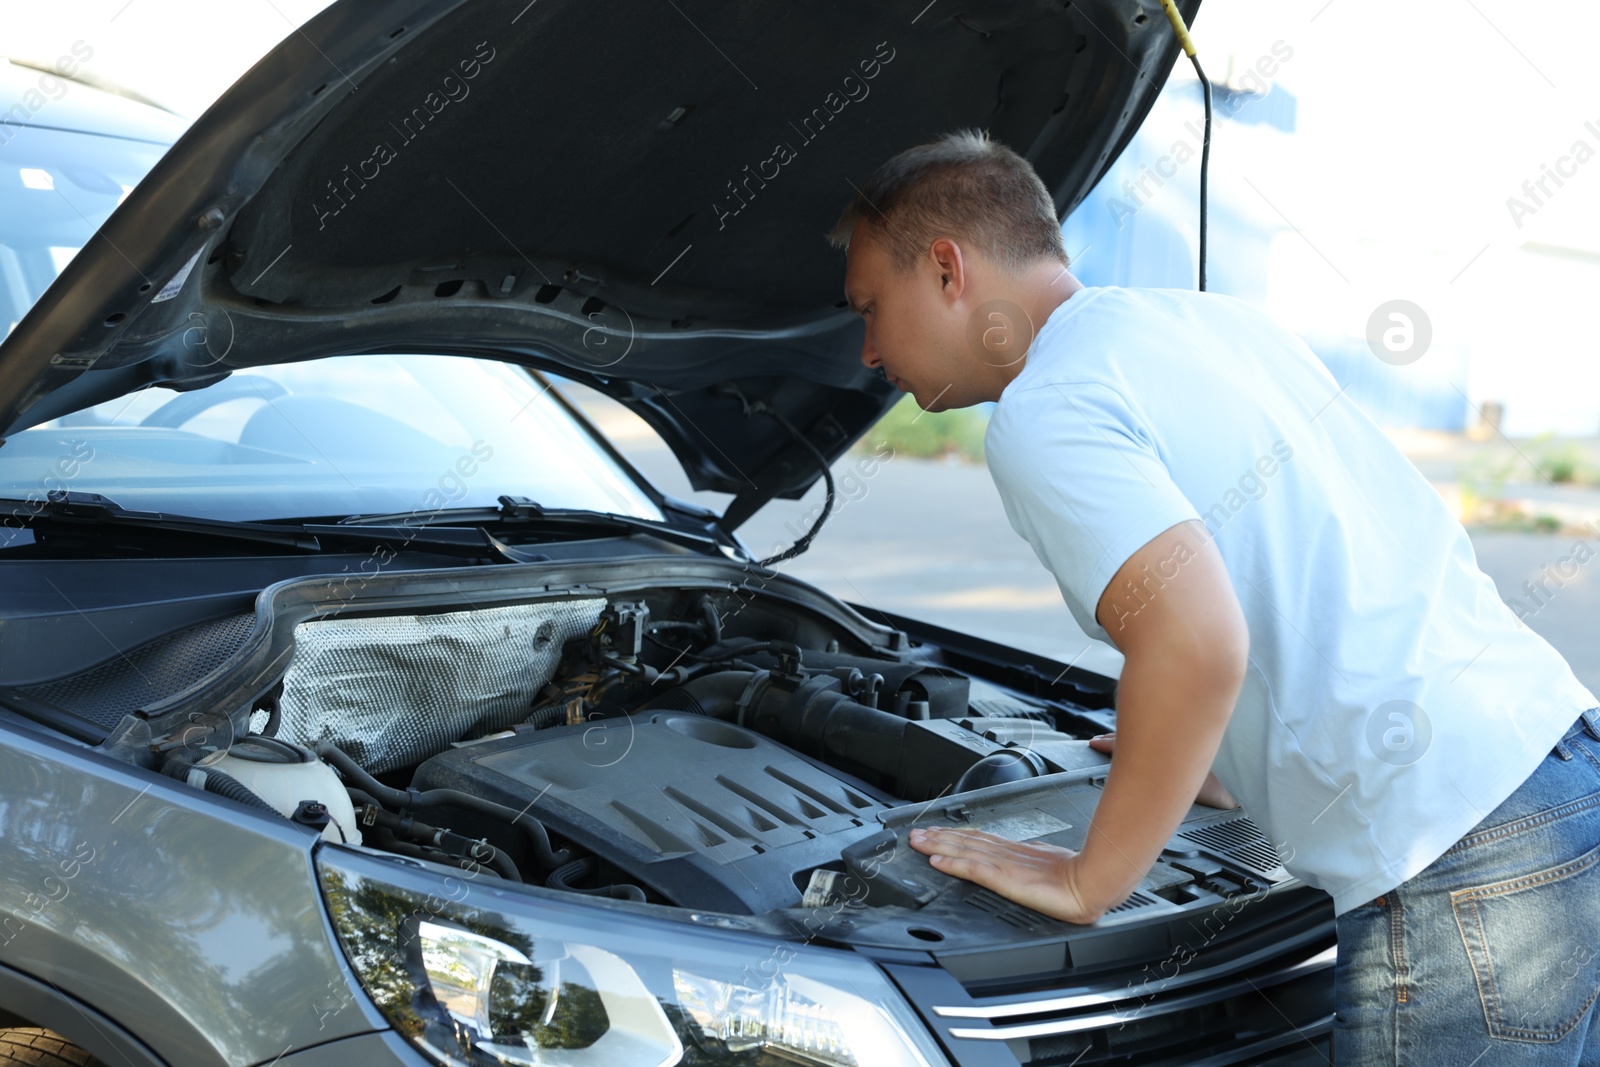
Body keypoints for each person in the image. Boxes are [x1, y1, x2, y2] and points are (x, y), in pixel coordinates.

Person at [829, 128, 1600, 1065]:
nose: (867, 350)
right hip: (1557, 776)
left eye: (871, 306)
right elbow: (1329, 557)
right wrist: (1229, 753)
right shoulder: (1208, 325)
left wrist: (1090, 877)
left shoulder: (1049, 405)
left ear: (948, 269)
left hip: (1456, 857)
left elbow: (1196, 643)